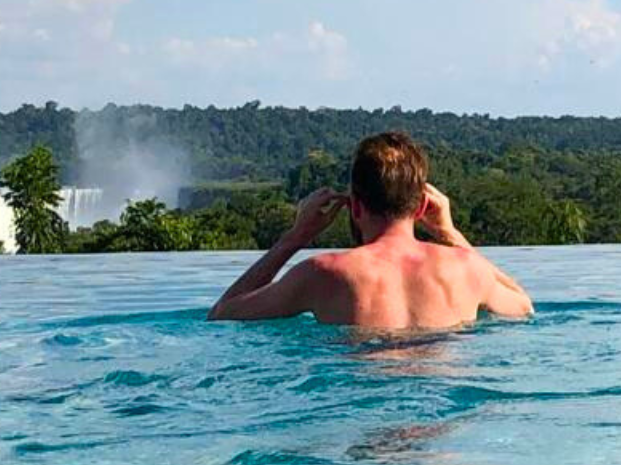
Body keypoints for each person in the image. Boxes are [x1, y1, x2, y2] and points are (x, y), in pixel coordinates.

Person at [209, 131, 533, 329]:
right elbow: (524, 306)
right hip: (442, 428)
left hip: (360, 405)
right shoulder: (467, 268)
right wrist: (450, 233)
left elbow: (223, 314)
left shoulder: (324, 273)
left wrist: (295, 237)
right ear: (421, 207)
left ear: (356, 206)